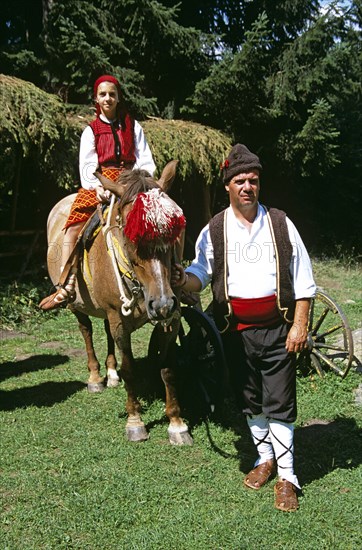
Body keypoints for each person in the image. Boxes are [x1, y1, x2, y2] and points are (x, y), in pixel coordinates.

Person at [172, 144, 316, 512]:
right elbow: (200, 274)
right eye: (240, 181)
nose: (247, 187)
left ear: (258, 183)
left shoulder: (281, 224)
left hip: (278, 330)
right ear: (228, 186)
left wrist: (299, 325)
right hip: (234, 331)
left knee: (280, 403)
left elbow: (304, 281)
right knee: (250, 399)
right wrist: (181, 280)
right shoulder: (214, 229)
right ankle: (264, 458)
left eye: (253, 180)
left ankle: (287, 477)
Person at [39, 75, 156, 310]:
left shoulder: (133, 126)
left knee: (162, 218)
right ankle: (66, 285)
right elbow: (86, 166)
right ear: (96, 98)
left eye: (112, 94)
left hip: (132, 181)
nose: (108, 98)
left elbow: (146, 159)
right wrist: (98, 188)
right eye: (103, 94)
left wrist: (140, 182)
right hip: (101, 181)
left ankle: (172, 277)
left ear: (118, 97)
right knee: (74, 225)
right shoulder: (91, 131)